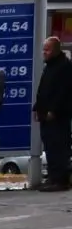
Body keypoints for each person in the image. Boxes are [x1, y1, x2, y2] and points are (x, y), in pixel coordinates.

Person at [37, 35, 71, 192]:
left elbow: (63, 92)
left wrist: (54, 110)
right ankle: (53, 177)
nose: (44, 52)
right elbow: (43, 89)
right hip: (46, 114)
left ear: (56, 50)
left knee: (59, 147)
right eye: (44, 49)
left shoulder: (64, 67)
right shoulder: (49, 66)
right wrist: (37, 108)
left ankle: (60, 180)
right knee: (50, 147)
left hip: (58, 116)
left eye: (47, 49)